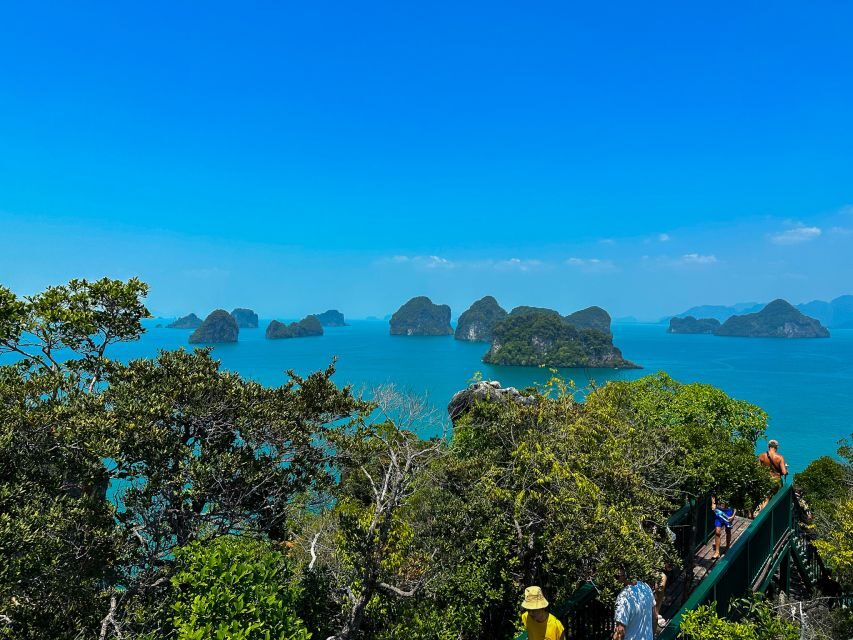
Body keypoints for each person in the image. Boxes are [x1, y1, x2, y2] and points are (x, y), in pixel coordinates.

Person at [613, 566, 655, 640]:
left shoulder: (623, 598)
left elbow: (620, 632)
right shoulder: (645, 586)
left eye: (616, 576)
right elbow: (655, 617)